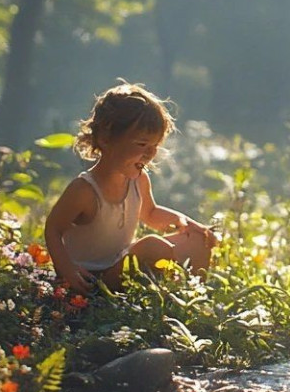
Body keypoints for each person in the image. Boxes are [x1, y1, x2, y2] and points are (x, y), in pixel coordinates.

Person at [44, 80, 217, 296]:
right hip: (92, 279)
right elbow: (53, 229)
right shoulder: (85, 190)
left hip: (119, 263)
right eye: (142, 145)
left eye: (155, 146)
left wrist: (190, 225)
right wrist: (66, 270)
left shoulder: (138, 180)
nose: (150, 154)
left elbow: (151, 213)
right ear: (106, 138)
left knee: (199, 241)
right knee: (153, 247)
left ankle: (192, 297)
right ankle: (169, 297)